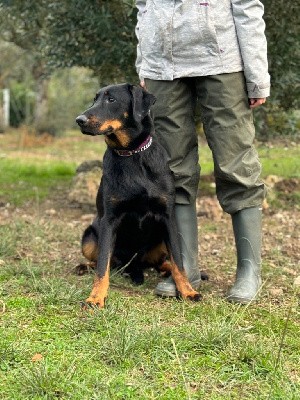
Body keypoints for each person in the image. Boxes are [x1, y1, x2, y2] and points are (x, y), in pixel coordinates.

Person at [135, 0, 270, 304]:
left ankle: (249, 271)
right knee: (172, 170)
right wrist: (144, 61)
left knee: (237, 165)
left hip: (222, 62)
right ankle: (185, 270)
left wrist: (257, 75)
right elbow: (143, 7)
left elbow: (247, 6)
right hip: (161, 66)